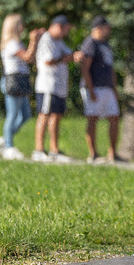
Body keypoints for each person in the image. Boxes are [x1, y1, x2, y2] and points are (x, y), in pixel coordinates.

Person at [33, 14, 83, 163]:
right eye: (66, 29)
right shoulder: (47, 40)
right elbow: (48, 60)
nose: (66, 33)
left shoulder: (59, 41)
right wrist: (69, 58)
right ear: (58, 27)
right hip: (47, 85)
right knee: (44, 115)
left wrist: (75, 55)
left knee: (56, 116)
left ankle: (54, 150)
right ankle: (38, 150)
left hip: (58, 86)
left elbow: (68, 53)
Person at [0, 14, 43, 160]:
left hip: (21, 81)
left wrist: (36, 42)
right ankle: (8, 146)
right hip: (13, 81)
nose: (23, 26)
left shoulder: (17, 43)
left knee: (25, 115)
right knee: (12, 115)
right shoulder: (11, 44)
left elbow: (30, 58)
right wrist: (33, 40)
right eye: (20, 24)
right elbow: (28, 57)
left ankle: (5, 139)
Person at [79, 15, 121, 163]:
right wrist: (90, 90)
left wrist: (114, 89)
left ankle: (112, 153)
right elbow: (86, 68)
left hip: (107, 87)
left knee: (114, 117)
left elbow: (110, 68)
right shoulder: (90, 43)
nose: (108, 30)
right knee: (93, 118)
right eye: (106, 27)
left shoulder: (105, 44)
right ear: (99, 28)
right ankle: (93, 154)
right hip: (94, 87)